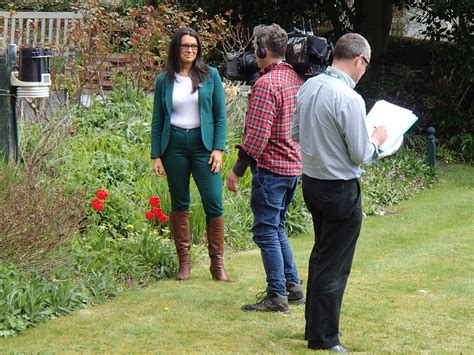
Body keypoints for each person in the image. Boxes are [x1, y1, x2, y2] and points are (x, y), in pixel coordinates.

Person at [291, 33, 388, 352]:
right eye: (366, 65)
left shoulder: (308, 86)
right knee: (334, 264)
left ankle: (312, 328)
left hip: (312, 183)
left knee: (321, 256)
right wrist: (377, 139)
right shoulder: (349, 98)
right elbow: (361, 153)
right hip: (340, 189)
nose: (364, 71)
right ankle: (324, 338)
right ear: (360, 59)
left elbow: (294, 133)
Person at [226, 23, 305, 313]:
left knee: (265, 231)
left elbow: (256, 138)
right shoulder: (296, 79)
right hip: (293, 168)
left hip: (271, 170)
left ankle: (276, 295)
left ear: (262, 50)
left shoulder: (267, 85)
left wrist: (236, 170)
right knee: (277, 227)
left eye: (254, 48)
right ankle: (293, 287)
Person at [151, 27, 230, 282]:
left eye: (194, 47)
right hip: (173, 145)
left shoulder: (211, 75)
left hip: (203, 146)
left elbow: (220, 115)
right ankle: (184, 264)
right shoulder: (165, 80)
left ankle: (217, 265)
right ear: (176, 48)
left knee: (213, 201)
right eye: (185, 46)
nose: (190, 50)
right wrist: (156, 155)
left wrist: (218, 149)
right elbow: (157, 119)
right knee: (179, 203)